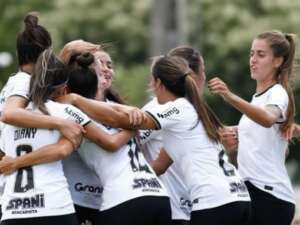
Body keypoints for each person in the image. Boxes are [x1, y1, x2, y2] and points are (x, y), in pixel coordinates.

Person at [58, 55, 251, 225]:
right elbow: (160, 164)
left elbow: (124, 121)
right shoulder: (193, 109)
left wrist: (75, 100)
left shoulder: (175, 109)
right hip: (237, 195)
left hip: (214, 199)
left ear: (158, 83)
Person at [0, 50, 135, 225]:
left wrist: (14, 162)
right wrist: (132, 127)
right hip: (55, 207)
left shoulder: (13, 118)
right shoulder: (65, 112)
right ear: (63, 88)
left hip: (14, 211)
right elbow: (64, 149)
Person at [208, 30, 296, 225]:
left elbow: (267, 119)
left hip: (270, 196)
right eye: (251, 54)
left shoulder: (277, 93)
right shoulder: (256, 101)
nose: (253, 60)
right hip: (251, 191)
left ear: (278, 61)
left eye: (261, 54)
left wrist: (229, 96)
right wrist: (232, 143)